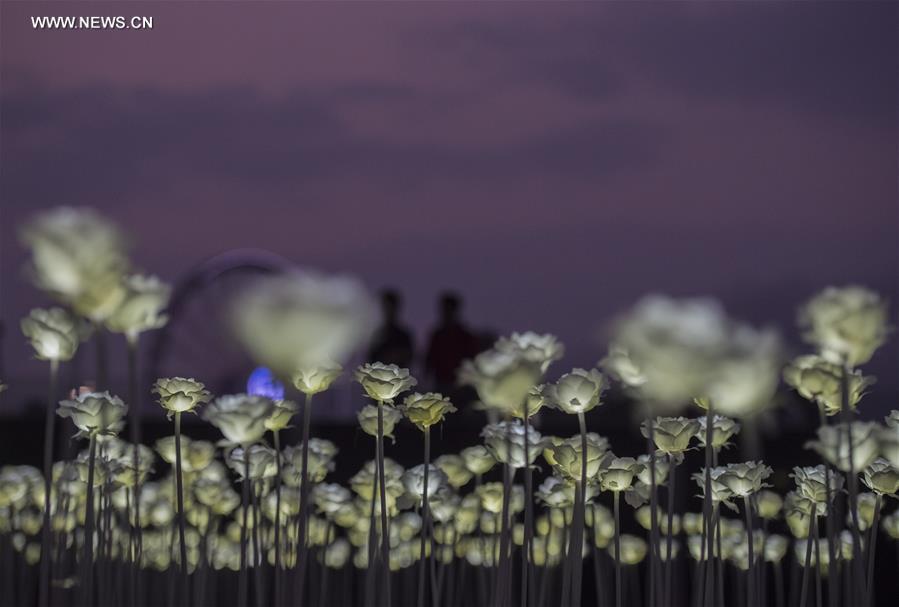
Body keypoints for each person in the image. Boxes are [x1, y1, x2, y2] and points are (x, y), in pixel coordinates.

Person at [424, 291, 479, 395]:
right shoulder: (437, 335)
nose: (446, 313)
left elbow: (472, 359)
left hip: (460, 385)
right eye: (445, 310)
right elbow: (429, 358)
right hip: (441, 382)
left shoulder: (465, 336)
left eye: (448, 310)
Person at [367, 288, 415, 368]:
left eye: (390, 307)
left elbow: (409, 358)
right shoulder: (376, 335)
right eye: (386, 307)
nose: (388, 311)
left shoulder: (403, 336)